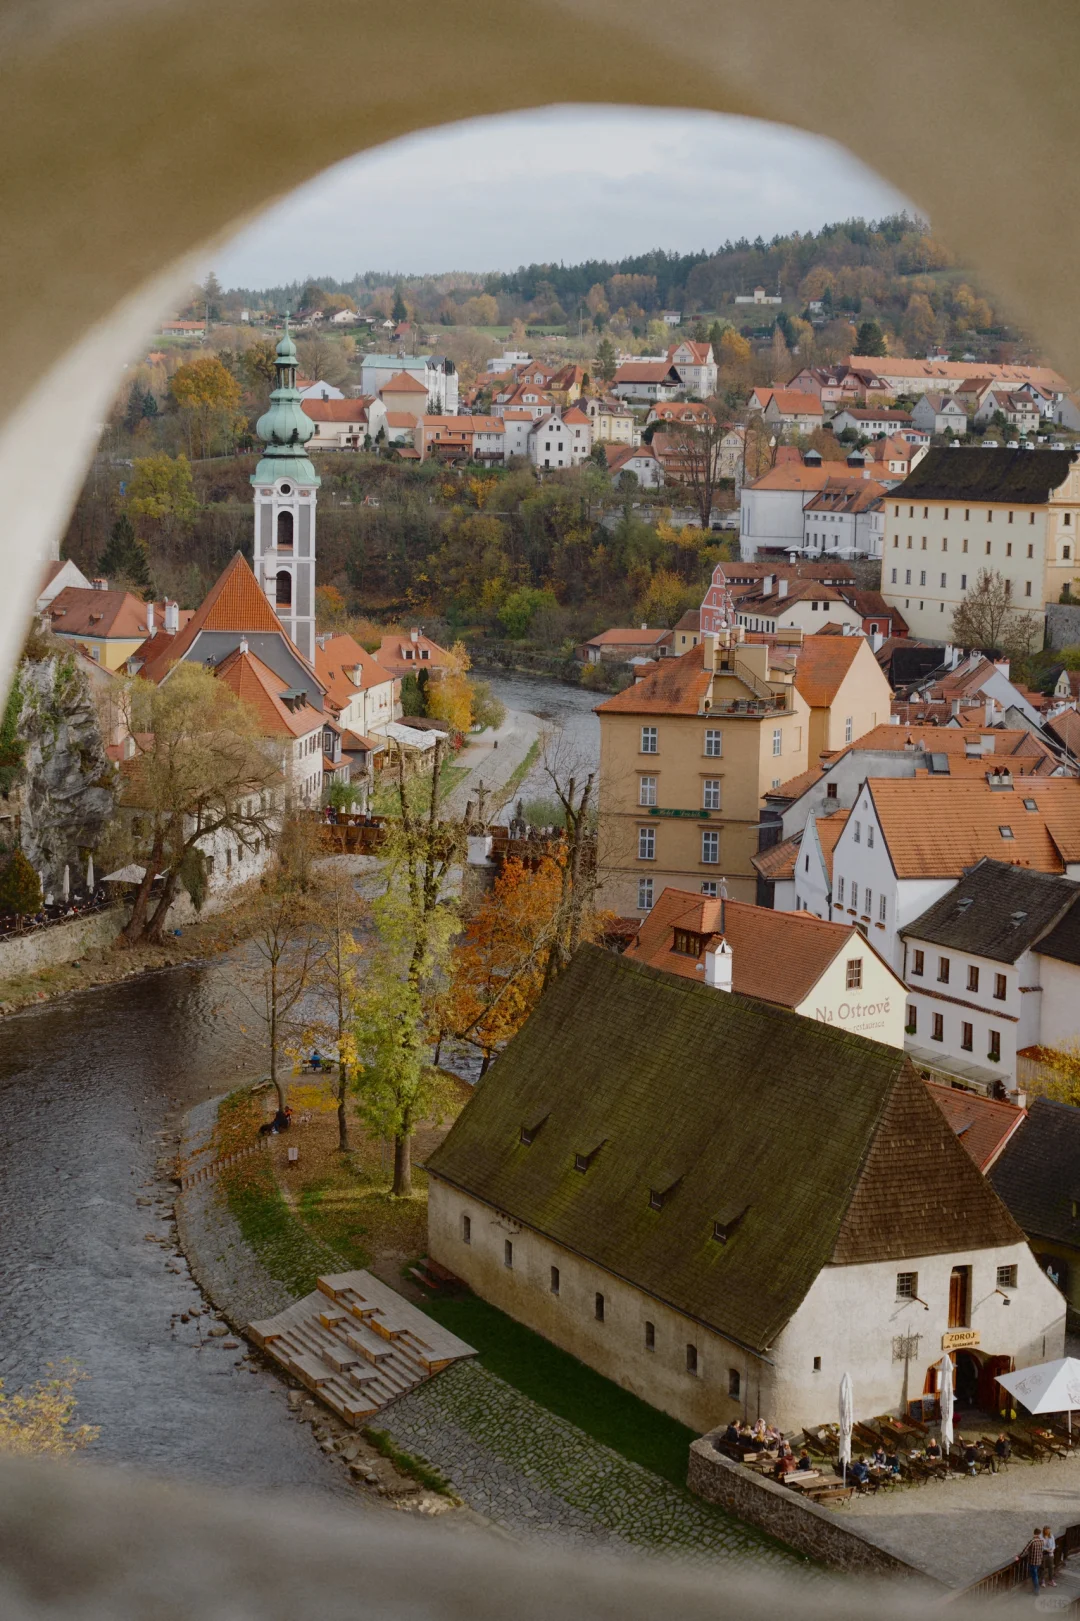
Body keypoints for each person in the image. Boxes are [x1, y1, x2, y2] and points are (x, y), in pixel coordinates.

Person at [1018, 1530, 1046, 1595]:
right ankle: (1036, 1588)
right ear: (1039, 1534)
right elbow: (1042, 1550)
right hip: (1039, 1561)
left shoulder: (1032, 1541)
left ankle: (1036, 1590)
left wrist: (1019, 1556)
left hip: (1032, 1561)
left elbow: (1025, 1550)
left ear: (1034, 1533)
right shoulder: (1042, 1541)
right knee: (1036, 1574)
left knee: (1034, 1576)